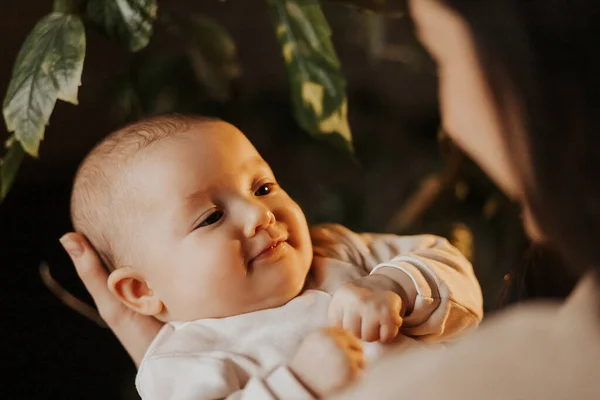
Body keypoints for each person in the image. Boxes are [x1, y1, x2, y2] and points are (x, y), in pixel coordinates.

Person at [65, 115, 482, 399]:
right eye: (211, 217)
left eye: (262, 187)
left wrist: (394, 287)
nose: (259, 213)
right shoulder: (180, 364)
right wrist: (299, 383)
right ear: (140, 290)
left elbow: (454, 271)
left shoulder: (337, 250)